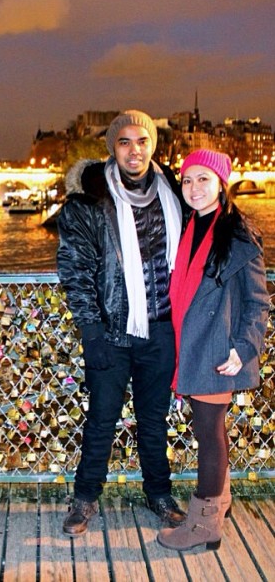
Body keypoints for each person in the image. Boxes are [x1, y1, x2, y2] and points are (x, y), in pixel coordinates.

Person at [57, 110, 186, 537]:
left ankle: (160, 494)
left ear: (154, 146)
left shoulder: (176, 194)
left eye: (143, 141)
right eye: (125, 142)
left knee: (154, 419)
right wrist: (91, 331)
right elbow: (75, 270)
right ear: (113, 148)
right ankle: (85, 497)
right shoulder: (89, 201)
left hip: (162, 326)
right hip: (112, 331)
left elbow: (211, 235)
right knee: (102, 419)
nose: (135, 150)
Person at [157, 149, 269, 551]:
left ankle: (204, 522)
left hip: (218, 351)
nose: (194, 188)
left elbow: (259, 302)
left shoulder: (237, 234)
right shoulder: (191, 226)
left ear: (221, 184)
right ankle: (221, 501)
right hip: (194, 346)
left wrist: (244, 348)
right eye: (188, 180)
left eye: (204, 179)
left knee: (208, 432)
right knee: (210, 429)